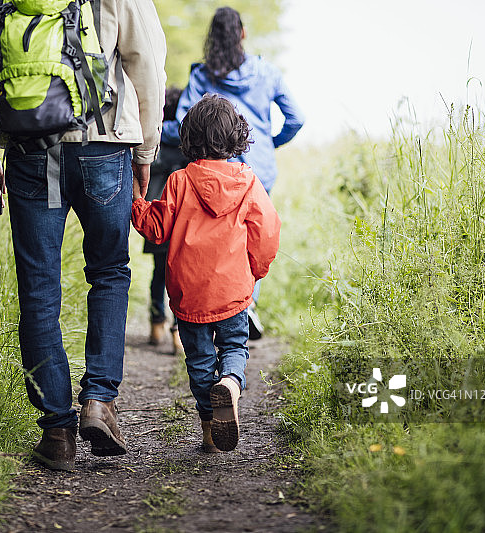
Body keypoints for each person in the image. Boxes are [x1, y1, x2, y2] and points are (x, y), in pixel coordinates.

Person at [0, 0, 166, 471]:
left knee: (38, 287)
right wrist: (146, 149)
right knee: (110, 271)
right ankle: (98, 401)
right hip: (102, 143)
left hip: (31, 149)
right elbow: (146, 60)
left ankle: (56, 430)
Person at [131, 95, 281, 452]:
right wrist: (255, 271)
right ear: (236, 137)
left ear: (189, 137)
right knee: (233, 346)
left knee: (198, 361)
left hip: (189, 294)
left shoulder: (180, 181)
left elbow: (157, 229)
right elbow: (268, 231)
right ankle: (230, 382)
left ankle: (211, 432)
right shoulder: (247, 181)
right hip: (233, 291)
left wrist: (137, 202)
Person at [176, 6, 304, 339]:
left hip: (208, 167)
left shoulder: (202, 76)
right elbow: (296, 118)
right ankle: (245, 304)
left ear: (212, 38)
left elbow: (180, 121)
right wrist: (270, 144)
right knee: (252, 235)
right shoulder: (268, 72)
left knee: (212, 238)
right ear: (242, 33)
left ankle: (211, 308)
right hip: (257, 169)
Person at [145, 87, 188, 354]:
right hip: (181, 219)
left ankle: (156, 323)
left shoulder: (154, 142)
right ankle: (177, 329)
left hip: (157, 216)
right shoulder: (187, 148)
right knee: (180, 274)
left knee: (158, 272)